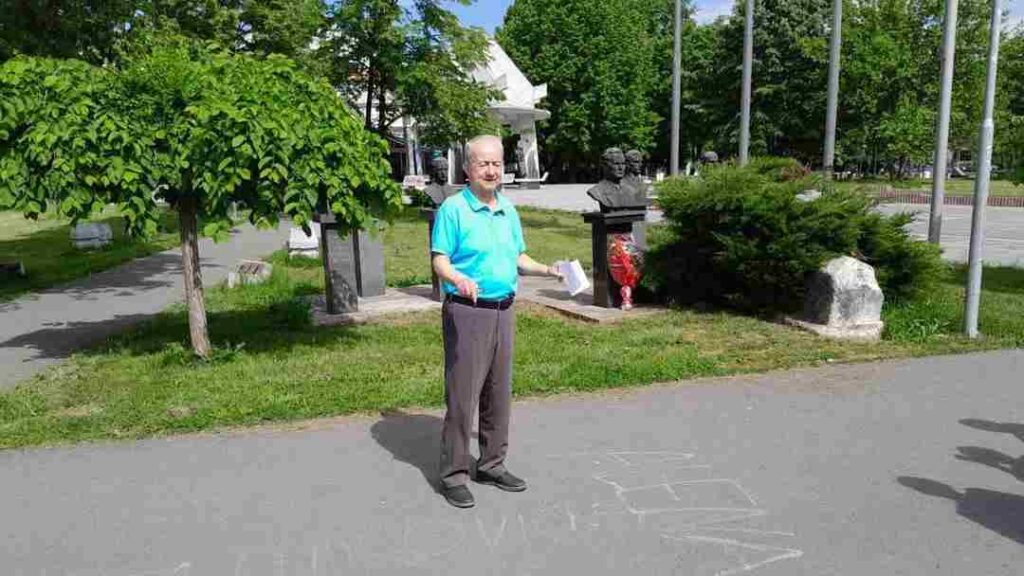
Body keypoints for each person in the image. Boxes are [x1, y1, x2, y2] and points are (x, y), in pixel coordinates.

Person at [430, 134, 562, 509]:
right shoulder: (454, 209)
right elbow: (440, 259)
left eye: (496, 164)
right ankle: (454, 475)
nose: (491, 170)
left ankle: (491, 464)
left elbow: (518, 257)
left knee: (498, 394)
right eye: (483, 164)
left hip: (504, 310)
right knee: (463, 396)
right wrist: (457, 278)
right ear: (467, 168)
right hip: (468, 311)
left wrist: (548, 269)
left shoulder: (508, 209)